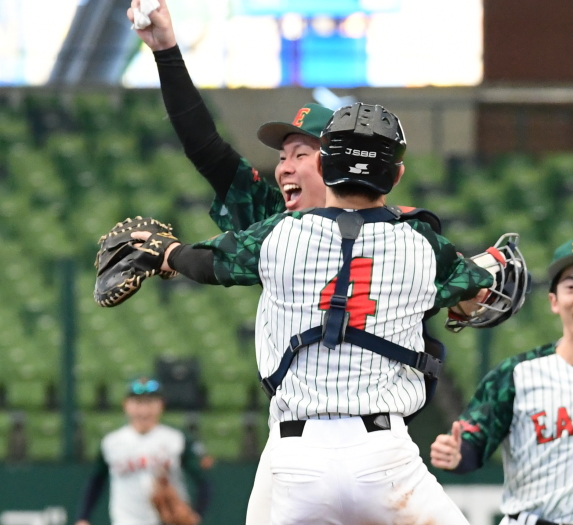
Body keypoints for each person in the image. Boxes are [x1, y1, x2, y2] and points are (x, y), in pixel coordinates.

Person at [125, 3, 442, 523]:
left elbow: (450, 282)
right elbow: (208, 150)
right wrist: (166, 53)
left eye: (301, 153)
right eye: (283, 155)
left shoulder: (398, 232)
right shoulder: (273, 221)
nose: (285, 167)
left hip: (379, 428)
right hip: (296, 431)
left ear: (338, 160)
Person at [131, 102, 495, 524]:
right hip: (383, 454)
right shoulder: (423, 242)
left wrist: (166, 252)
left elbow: (207, 264)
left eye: (302, 155)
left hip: (296, 455)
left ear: (325, 166)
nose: (287, 165)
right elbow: (480, 291)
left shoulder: (278, 232)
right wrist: (485, 283)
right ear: (396, 175)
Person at [430, 236, 573, 525]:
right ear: (554, 301)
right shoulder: (517, 374)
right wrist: (457, 455)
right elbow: (474, 442)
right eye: (571, 287)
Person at [75, 378, 210, 525]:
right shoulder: (111, 442)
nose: (144, 410)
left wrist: (197, 513)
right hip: (126, 520)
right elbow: (96, 482)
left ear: (161, 404)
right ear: (126, 404)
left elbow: (203, 481)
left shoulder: (176, 439)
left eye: (150, 402)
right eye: (138, 403)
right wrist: (84, 517)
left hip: (166, 521)